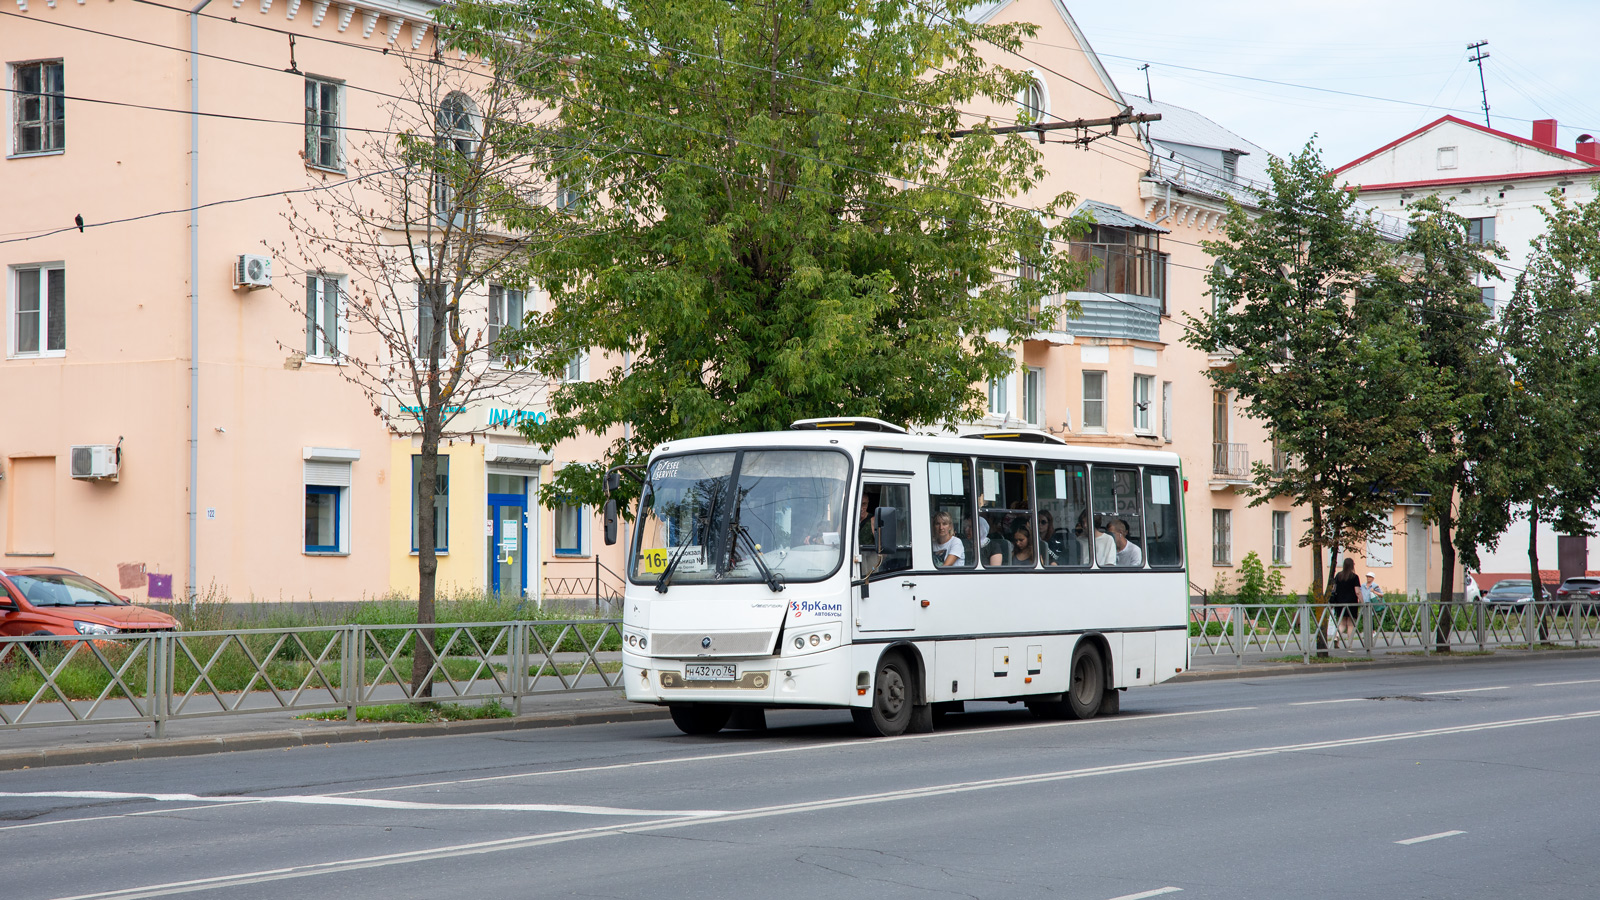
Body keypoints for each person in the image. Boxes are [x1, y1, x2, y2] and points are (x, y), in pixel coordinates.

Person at [1328, 557, 1362, 643]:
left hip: (1339, 603)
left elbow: (1334, 589)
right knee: (1350, 625)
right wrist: (1362, 601)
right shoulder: (1354, 577)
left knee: (1342, 623)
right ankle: (1349, 644)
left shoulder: (1338, 576)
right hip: (1352, 603)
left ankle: (1336, 636)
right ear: (1352, 566)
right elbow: (1357, 591)